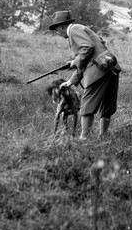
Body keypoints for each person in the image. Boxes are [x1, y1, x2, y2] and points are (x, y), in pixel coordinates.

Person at [48, 10, 120, 139]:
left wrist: (75, 61)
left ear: (61, 26)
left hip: (98, 71)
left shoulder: (74, 30)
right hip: (109, 67)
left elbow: (87, 47)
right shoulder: (81, 29)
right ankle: (103, 137)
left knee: (87, 105)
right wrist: (70, 81)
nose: (57, 33)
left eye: (56, 29)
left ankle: (83, 139)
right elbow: (86, 57)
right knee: (107, 106)